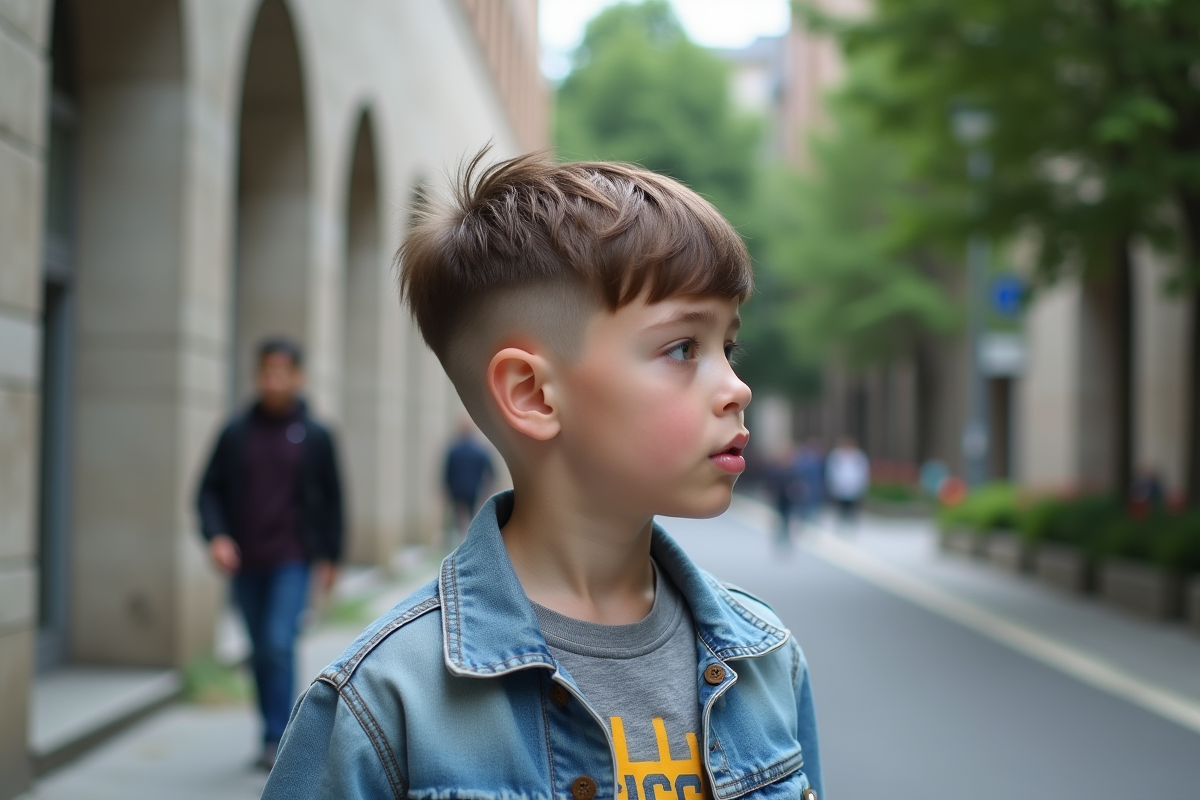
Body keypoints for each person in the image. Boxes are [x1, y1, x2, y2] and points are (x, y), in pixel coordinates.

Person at [262, 152, 823, 799]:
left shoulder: (767, 660)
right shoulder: (383, 705)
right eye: (682, 348)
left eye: (728, 347)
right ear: (532, 394)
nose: (737, 388)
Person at [196, 338, 344, 770]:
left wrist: (331, 557)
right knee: (261, 649)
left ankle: (281, 739)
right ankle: (268, 733)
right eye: (266, 372)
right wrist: (217, 536)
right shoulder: (236, 432)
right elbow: (208, 491)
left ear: (298, 377)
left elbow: (334, 500)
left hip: (292, 557)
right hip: (246, 561)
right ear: (257, 375)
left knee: (278, 643)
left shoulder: (315, 435)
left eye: (282, 372)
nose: (274, 381)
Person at [443, 420, 494, 541]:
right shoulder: (479, 450)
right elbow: (491, 471)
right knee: (472, 517)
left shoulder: (454, 450)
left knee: (456, 517)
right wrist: (486, 488)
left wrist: (446, 489)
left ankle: (456, 540)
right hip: (473, 489)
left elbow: (447, 472)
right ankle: (471, 539)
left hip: (456, 490)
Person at [826, 436, 869, 530]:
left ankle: (851, 526)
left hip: (854, 488)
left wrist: (861, 486)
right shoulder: (836, 456)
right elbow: (832, 472)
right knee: (841, 508)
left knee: (852, 509)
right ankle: (841, 525)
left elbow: (863, 472)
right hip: (840, 488)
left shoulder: (859, 456)